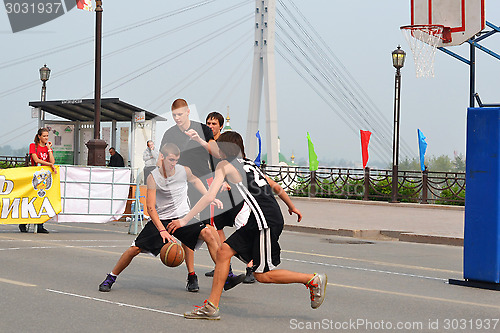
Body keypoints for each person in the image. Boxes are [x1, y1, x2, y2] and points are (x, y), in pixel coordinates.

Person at [168, 131, 327, 320]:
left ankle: (312, 280)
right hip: (260, 218)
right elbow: (275, 186)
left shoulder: (224, 165)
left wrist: (184, 220)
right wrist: (291, 206)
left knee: (263, 275)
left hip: (265, 220)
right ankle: (211, 307)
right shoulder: (250, 164)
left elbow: (209, 197)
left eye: (218, 146)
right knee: (223, 252)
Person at [98, 143, 244, 293]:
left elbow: (194, 180)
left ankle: (227, 277)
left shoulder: (184, 170)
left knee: (208, 233)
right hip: (161, 220)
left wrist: (209, 196)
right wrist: (162, 230)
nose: (174, 164)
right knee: (134, 249)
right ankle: (111, 277)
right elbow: (151, 208)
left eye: (176, 160)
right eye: (171, 160)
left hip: (181, 217)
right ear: (162, 157)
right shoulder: (153, 177)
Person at [160, 99, 221, 292]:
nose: (177, 118)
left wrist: (199, 140)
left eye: (180, 114)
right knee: (188, 230)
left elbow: (216, 153)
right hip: (180, 186)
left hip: (202, 182)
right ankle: (192, 275)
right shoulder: (169, 133)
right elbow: (162, 158)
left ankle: (223, 271)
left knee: (212, 229)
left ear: (188, 112)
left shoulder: (203, 129)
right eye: (174, 115)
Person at [204, 112, 255, 283]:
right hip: (220, 193)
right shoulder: (211, 144)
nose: (210, 126)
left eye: (213, 123)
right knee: (216, 227)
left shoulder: (224, 144)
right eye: (208, 123)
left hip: (236, 193)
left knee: (243, 229)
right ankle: (225, 264)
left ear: (220, 126)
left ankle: (251, 267)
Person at [19, 127, 55, 233]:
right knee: (30, 199)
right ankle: (23, 223)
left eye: (47, 136)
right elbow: (36, 159)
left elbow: (52, 160)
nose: (46, 138)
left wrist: (49, 149)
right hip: (34, 176)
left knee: (42, 200)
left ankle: (40, 225)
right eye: (44, 136)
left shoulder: (47, 147)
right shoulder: (33, 146)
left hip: (45, 177)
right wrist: (50, 164)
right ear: (39, 136)